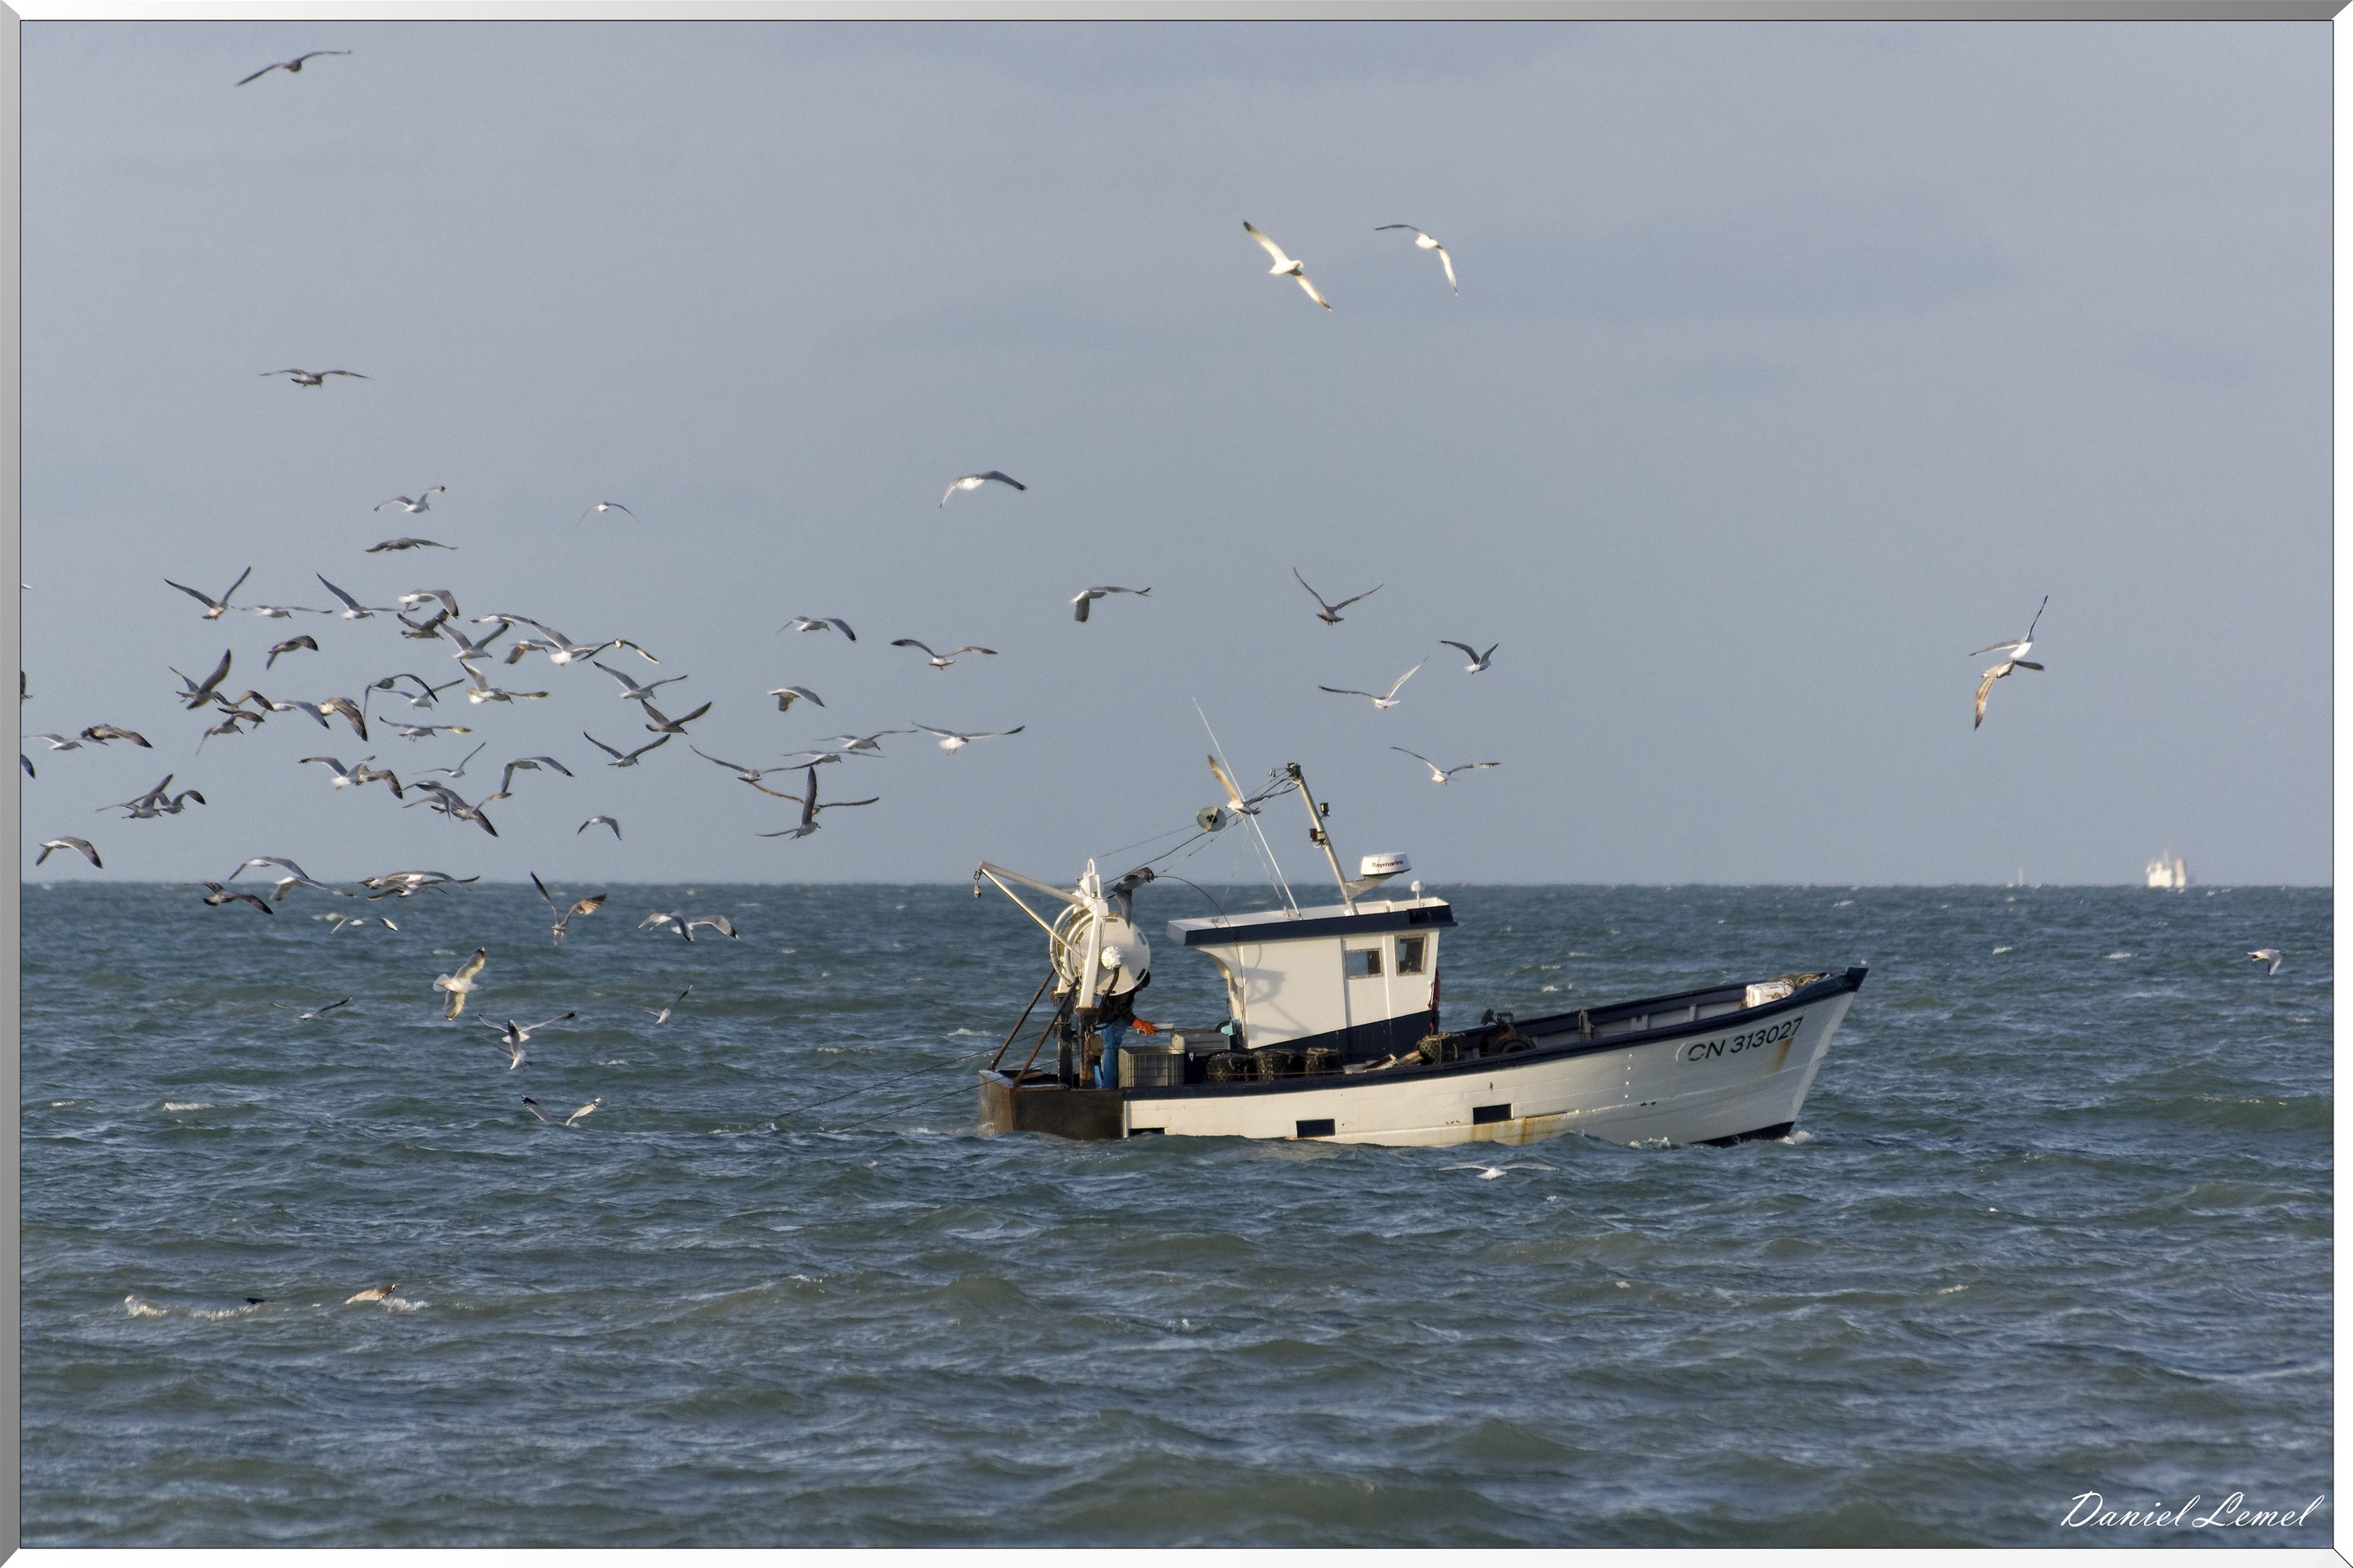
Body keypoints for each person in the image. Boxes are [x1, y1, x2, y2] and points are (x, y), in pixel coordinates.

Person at [1091, 958, 1153, 1088]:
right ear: (1138, 982)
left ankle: (1101, 1088)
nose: (1141, 990)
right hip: (1108, 1029)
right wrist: (1141, 1024)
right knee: (1107, 1063)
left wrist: (1142, 1022)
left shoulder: (1121, 985)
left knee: (1103, 1062)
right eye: (1142, 987)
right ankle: (1106, 1092)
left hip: (1105, 1028)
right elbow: (1122, 1010)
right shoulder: (1127, 989)